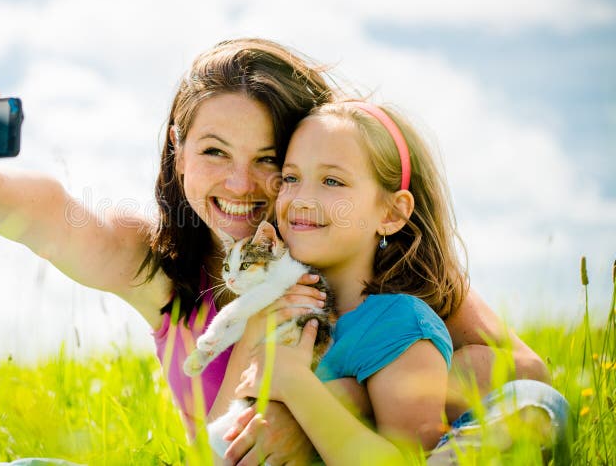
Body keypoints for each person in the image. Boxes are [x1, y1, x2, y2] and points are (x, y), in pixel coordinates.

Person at [0, 38, 552, 465]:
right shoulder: (159, 264)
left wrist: (338, 401)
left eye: (271, 161)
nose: (242, 187)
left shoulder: (372, 261)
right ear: (178, 149)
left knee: (537, 410)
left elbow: (522, 369)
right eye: (214, 152)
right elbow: (56, 220)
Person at [231, 99, 569, 464]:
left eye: (332, 180)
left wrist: (319, 396)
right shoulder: (272, 313)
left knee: (538, 403)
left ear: (391, 213)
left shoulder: (397, 320)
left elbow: (410, 454)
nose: (302, 197)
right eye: (291, 178)